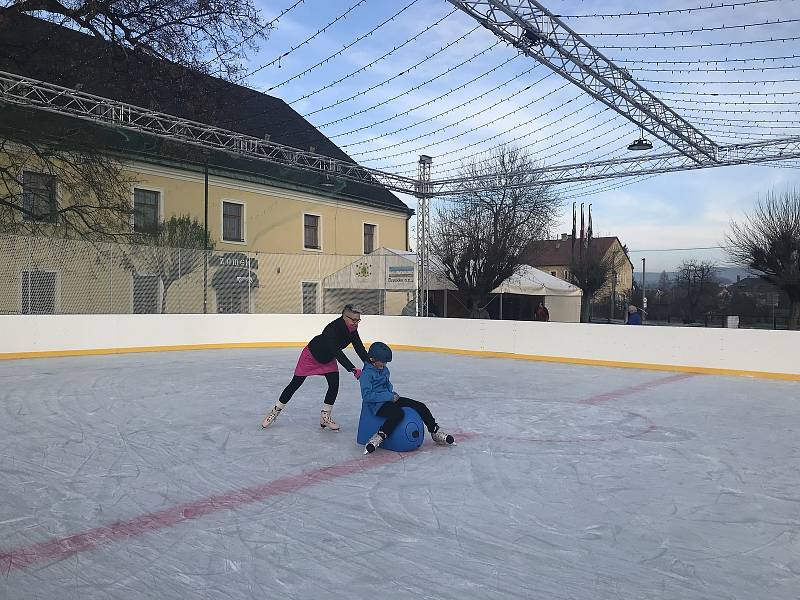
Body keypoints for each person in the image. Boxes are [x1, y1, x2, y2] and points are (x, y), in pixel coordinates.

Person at [261, 304, 370, 431]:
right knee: (294, 384)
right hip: (311, 356)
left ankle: (325, 416)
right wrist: (352, 369)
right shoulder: (332, 329)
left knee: (334, 385)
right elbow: (337, 351)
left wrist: (369, 363)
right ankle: (275, 411)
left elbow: (359, 347)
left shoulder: (352, 330)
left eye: (358, 320)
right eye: (353, 320)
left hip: (328, 358)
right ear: (344, 317)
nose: (356, 323)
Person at [359, 341, 454, 454]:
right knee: (398, 413)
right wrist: (389, 396)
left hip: (389, 399)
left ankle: (435, 431)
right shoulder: (366, 374)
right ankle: (379, 437)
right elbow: (367, 395)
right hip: (377, 405)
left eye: (386, 362)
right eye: (382, 362)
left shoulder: (384, 370)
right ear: (372, 359)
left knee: (419, 406)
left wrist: (392, 394)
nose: (384, 364)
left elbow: (386, 385)